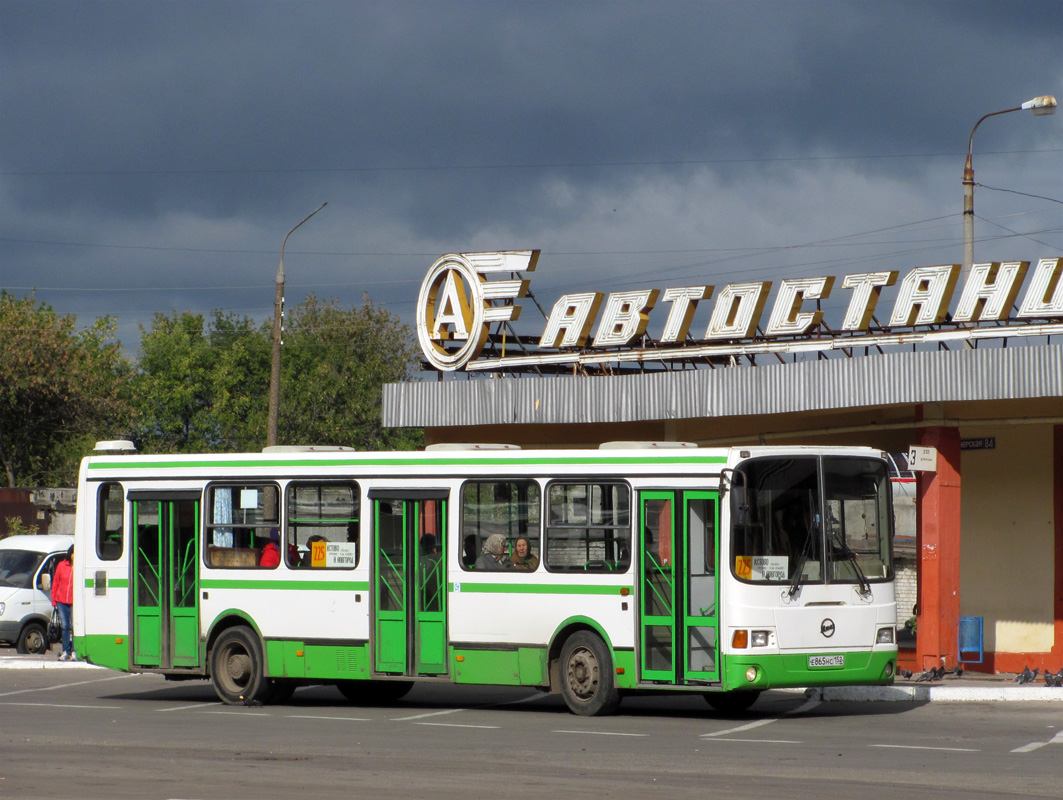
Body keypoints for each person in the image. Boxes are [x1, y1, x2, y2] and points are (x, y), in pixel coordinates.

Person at [52, 545, 75, 661]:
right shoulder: (62, 565)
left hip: (74, 601)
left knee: (75, 626)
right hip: (61, 601)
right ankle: (66, 650)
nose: (74, 556)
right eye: (72, 553)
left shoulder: (79, 567)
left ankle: (75, 650)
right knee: (65, 626)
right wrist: (54, 600)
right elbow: (56, 582)